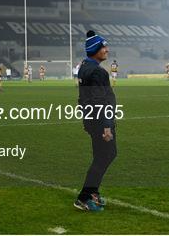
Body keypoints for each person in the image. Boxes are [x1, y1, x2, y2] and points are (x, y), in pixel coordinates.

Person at [74, 30, 117, 212]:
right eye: (103, 47)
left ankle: (92, 193)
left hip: (91, 120)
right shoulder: (98, 72)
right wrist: (107, 126)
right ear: (95, 50)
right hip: (100, 122)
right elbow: (100, 101)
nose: (107, 49)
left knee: (102, 156)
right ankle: (84, 197)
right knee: (105, 156)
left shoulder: (84, 67)